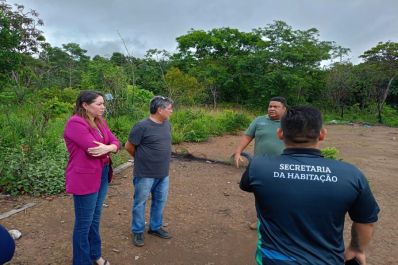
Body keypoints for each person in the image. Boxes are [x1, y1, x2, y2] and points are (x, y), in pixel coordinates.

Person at [240, 106, 380, 265]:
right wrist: (356, 249)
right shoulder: (351, 174)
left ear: (280, 133)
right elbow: (366, 220)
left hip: (273, 259)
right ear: (322, 134)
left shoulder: (258, 167)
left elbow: (246, 185)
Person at [64, 91, 120, 265]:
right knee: (84, 223)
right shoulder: (76, 123)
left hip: (102, 173)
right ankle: (81, 261)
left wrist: (109, 147)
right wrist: (109, 147)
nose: (103, 107)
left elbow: (117, 143)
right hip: (85, 178)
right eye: (99, 104)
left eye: (103, 103)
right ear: (85, 105)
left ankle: (95, 255)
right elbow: (93, 149)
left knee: (95, 217)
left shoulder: (100, 122)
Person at [125, 96, 174, 247]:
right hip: (145, 173)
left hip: (163, 173)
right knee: (140, 203)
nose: (171, 111)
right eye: (169, 108)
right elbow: (128, 146)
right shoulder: (141, 126)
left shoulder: (167, 124)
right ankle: (138, 230)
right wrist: (141, 159)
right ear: (160, 110)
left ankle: (155, 227)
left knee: (160, 201)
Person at [234, 96, 287, 229]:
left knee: (283, 194)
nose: (272, 109)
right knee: (261, 193)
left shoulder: (290, 122)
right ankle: (260, 221)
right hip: (261, 165)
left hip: (284, 166)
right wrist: (238, 152)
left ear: (284, 109)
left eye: (276, 106)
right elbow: (248, 136)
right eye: (270, 106)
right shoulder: (259, 120)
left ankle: (280, 222)